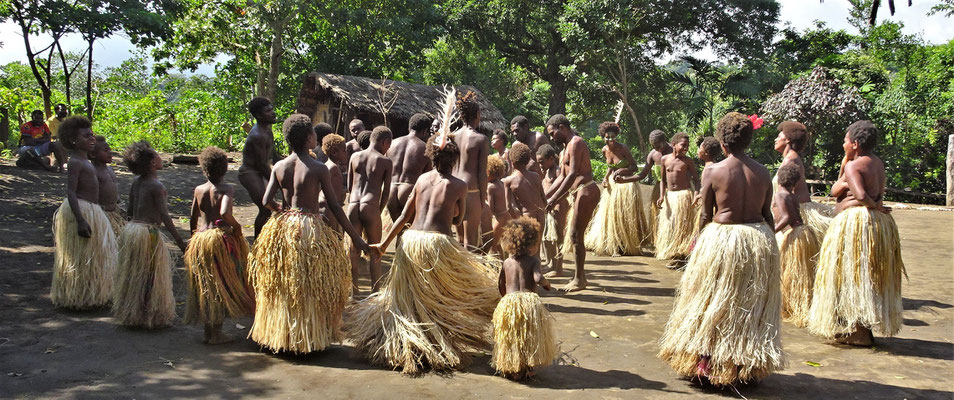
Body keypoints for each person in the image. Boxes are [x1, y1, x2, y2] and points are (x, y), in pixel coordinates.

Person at [347, 133, 500, 374]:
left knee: (409, 300)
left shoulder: (421, 181)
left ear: (432, 156)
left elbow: (402, 217)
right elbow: (458, 218)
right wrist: (456, 209)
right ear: (454, 159)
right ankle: (429, 345)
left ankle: (407, 346)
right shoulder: (459, 185)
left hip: (412, 243)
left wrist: (383, 245)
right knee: (436, 298)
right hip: (438, 245)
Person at [658, 112, 783, 386]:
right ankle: (741, 365)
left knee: (713, 302)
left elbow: (705, 214)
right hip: (757, 240)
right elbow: (767, 215)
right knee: (747, 304)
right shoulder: (763, 172)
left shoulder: (714, 170)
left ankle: (708, 363)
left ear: (723, 143)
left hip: (722, 240)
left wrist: (698, 245)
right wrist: (772, 251)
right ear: (748, 141)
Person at [246, 114, 370, 354]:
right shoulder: (318, 168)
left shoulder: (280, 166)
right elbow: (334, 206)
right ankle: (308, 339)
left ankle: (285, 337)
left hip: (283, 228)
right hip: (309, 230)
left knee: (285, 284)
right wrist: (357, 239)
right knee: (309, 285)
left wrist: (281, 211)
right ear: (310, 139)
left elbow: (266, 200)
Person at [807, 120, 904, 346]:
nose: (843, 144)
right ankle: (860, 330)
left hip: (858, 223)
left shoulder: (855, 166)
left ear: (856, 143)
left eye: (845, 140)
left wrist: (873, 205)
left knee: (855, 275)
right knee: (861, 277)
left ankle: (860, 333)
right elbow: (837, 189)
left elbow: (860, 195)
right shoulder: (875, 162)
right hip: (874, 223)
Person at [183, 146, 255, 344]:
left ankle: (209, 331)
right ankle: (216, 333)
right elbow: (224, 213)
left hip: (201, 239)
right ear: (224, 169)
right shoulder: (226, 189)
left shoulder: (199, 190)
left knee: (207, 284)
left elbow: (193, 217)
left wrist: (193, 239)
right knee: (220, 283)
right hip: (219, 241)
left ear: (204, 168)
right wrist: (237, 228)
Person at [113, 141, 187, 328]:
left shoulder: (136, 183)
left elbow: (129, 211)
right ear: (153, 163)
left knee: (135, 273)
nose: (160, 157)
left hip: (132, 231)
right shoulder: (157, 186)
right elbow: (164, 216)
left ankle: (133, 313)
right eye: (157, 155)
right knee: (150, 275)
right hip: (148, 233)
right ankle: (149, 316)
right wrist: (179, 242)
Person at [50, 116, 117, 309]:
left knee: (94, 255)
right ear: (73, 140)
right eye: (86, 136)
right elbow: (71, 191)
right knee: (80, 255)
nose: (92, 139)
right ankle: (77, 297)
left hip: (93, 210)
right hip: (81, 209)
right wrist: (80, 219)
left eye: (92, 135)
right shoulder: (75, 162)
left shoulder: (87, 161)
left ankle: (91, 295)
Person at [491, 217, 557, 380]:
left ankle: (513, 368)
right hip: (528, 302)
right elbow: (537, 278)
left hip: (510, 302)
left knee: (511, 335)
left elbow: (501, 283)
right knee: (528, 335)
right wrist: (547, 284)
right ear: (531, 244)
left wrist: (504, 299)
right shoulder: (534, 260)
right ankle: (529, 367)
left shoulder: (506, 261)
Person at [543, 114, 600, 292]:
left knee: (575, 235)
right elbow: (561, 177)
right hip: (578, 193)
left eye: (553, 133)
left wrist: (554, 199)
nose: (552, 138)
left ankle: (579, 279)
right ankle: (579, 277)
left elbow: (573, 174)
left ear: (561, 127)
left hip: (586, 191)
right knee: (575, 235)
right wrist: (545, 196)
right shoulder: (564, 149)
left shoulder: (576, 142)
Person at [584, 122, 649, 256]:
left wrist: (621, 170)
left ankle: (626, 244)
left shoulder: (623, 148)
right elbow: (610, 166)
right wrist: (606, 176)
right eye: (607, 137)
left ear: (616, 136)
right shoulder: (604, 150)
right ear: (603, 137)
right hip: (613, 187)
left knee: (624, 217)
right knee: (612, 217)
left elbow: (634, 167)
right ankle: (614, 244)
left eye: (613, 137)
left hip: (626, 186)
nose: (610, 140)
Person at [773, 163, 820, 328]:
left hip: (793, 234)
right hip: (803, 233)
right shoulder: (792, 194)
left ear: (779, 179)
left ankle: (793, 307)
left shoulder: (780, 194)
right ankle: (798, 304)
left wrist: (771, 231)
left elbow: (786, 218)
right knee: (799, 274)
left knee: (791, 273)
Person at [346, 126, 392, 294]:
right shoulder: (385, 161)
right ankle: (375, 292)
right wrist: (377, 211)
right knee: (375, 251)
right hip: (370, 205)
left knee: (353, 249)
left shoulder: (354, 157)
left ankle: (355, 292)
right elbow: (385, 193)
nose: (388, 148)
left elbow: (350, 186)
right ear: (385, 142)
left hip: (353, 204)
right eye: (389, 145)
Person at [615, 130, 673, 247]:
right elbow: (642, 175)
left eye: (658, 146)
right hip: (659, 189)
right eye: (653, 147)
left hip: (675, 190)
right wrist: (624, 180)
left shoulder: (674, 150)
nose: (657, 149)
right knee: (660, 218)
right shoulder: (653, 155)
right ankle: (661, 244)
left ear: (664, 141)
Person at [773, 121, 832, 236]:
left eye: (779, 136)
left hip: (798, 211)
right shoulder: (790, 158)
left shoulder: (791, 159)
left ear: (788, 139)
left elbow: (787, 193)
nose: (775, 139)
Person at [654, 132, 701, 267]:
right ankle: (673, 252)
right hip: (670, 197)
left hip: (684, 196)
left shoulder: (688, 161)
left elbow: (697, 181)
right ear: (674, 145)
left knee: (683, 227)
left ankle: (681, 256)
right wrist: (662, 195)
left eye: (687, 146)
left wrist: (695, 195)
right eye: (683, 145)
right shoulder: (665, 159)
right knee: (671, 226)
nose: (686, 148)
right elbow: (662, 180)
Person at [452, 91, 490, 251]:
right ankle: (468, 276)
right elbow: (482, 173)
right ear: (478, 114)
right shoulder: (481, 139)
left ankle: (458, 274)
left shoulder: (453, 136)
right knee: (471, 241)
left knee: (459, 240)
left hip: (453, 189)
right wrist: (482, 198)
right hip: (471, 191)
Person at [238, 97, 277, 238]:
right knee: (265, 208)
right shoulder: (258, 135)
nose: (273, 113)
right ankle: (258, 245)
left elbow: (266, 161)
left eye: (272, 109)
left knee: (269, 207)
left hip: (259, 170)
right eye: (268, 111)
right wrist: (277, 181)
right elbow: (261, 165)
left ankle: (263, 241)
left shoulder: (266, 130)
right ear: (259, 116)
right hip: (249, 172)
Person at [386, 113, 433, 223]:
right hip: (409, 191)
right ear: (425, 131)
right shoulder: (425, 148)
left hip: (391, 191)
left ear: (409, 127)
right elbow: (427, 178)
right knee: (410, 232)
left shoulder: (392, 144)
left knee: (398, 231)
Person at [536, 144, 567, 277]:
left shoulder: (558, 171)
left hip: (558, 208)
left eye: (542, 162)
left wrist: (554, 202)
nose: (540, 165)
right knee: (548, 239)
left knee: (558, 238)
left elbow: (565, 191)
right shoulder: (547, 171)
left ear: (551, 159)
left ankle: (558, 268)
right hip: (548, 208)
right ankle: (552, 264)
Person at [502, 142, 546, 237]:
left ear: (512, 161)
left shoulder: (509, 180)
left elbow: (508, 207)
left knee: (526, 248)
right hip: (540, 215)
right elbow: (543, 198)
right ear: (527, 160)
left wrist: (518, 220)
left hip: (526, 218)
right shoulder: (536, 176)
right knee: (537, 247)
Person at [90, 136, 125, 236]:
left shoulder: (110, 169)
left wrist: (118, 202)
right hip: (101, 214)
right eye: (105, 150)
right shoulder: (93, 171)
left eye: (110, 150)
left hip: (114, 213)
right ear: (93, 154)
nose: (110, 153)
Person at [483, 154, 516, 255]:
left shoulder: (490, 187)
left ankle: (498, 269)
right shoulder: (501, 183)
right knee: (500, 245)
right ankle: (504, 268)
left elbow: (491, 208)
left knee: (492, 246)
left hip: (499, 219)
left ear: (489, 171)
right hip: (507, 216)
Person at [318, 134, 348, 232]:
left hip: (327, 207)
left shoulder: (327, 165)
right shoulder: (333, 168)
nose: (346, 154)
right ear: (334, 152)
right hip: (329, 209)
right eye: (344, 151)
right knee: (333, 237)